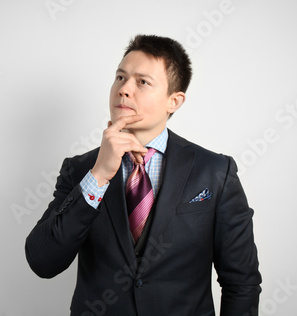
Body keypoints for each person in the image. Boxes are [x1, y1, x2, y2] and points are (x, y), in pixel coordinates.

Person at [25, 34, 261, 316]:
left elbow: (241, 282)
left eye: (142, 82)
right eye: (120, 77)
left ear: (174, 100)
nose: (124, 89)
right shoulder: (80, 170)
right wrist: (99, 175)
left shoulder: (215, 171)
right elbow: (43, 262)